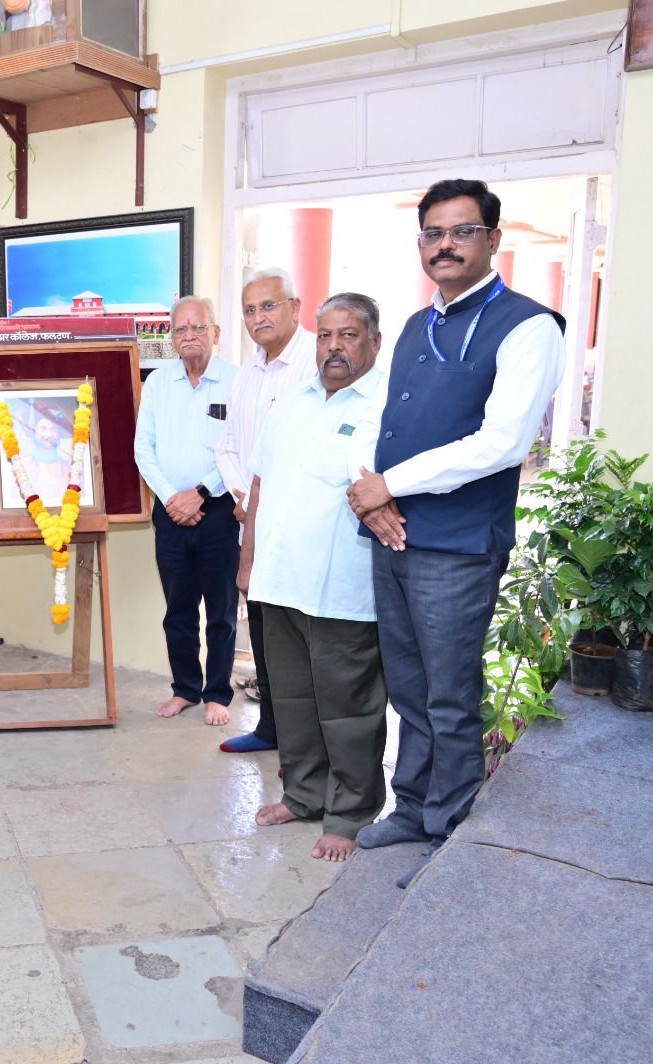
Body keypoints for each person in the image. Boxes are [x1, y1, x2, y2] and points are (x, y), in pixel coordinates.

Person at [347, 178, 565, 883]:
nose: (445, 245)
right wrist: (369, 494)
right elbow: (376, 420)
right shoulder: (417, 324)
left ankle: (451, 827)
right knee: (408, 686)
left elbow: (503, 442)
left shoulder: (530, 326)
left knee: (448, 693)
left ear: (493, 239)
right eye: (433, 233)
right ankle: (413, 808)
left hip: (459, 546)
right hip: (392, 534)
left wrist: (390, 485)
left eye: (462, 231)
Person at [245, 294, 388, 863]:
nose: (334, 347)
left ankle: (350, 813)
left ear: (374, 341)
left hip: (342, 587)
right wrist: (248, 560)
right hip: (280, 579)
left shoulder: (386, 406)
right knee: (292, 699)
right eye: (325, 335)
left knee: (348, 707)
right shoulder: (292, 401)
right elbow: (260, 482)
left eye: (348, 335)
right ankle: (303, 795)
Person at [215, 267, 316, 754]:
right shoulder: (246, 373)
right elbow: (228, 446)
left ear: (295, 307)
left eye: (269, 306)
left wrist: (263, 502)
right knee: (262, 631)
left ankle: (306, 745)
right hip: (251, 524)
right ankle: (271, 729)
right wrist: (244, 498)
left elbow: (311, 451)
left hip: (301, 527)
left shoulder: (317, 363)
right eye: (250, 310)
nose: (259, 318)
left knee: (302, 636)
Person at [134, 295, 237, 728]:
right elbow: (144, 450)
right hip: (170, 512)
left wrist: (200, 493)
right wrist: (173, 499)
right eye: (181, 328)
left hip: (220, 511)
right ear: (171, 337)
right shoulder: (158, 383)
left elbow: (240, 449)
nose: (189, 335)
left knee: (221, 610)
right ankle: (185, 689)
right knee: (178, 609)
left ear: (216, 332)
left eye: (198, 327)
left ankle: (218, 693)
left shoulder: (236, 381)